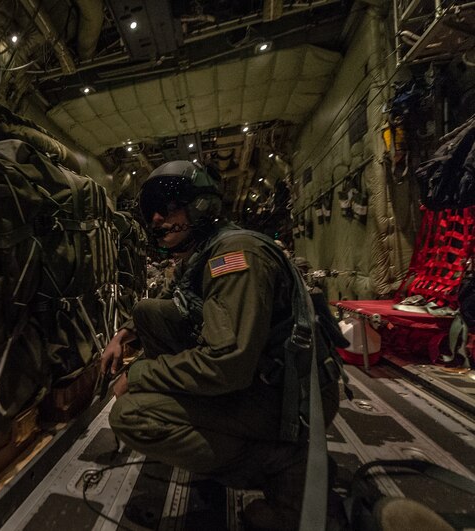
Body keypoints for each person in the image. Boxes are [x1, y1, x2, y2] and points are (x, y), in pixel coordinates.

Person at [101, 160, 341, 530]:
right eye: (152, 212)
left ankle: (284, 463)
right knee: (148, 312)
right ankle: (225, 433)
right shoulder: (204, 252)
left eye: (167, 207)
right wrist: (123, 334)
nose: (157, 219)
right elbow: (171, 297)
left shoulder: (235, 257)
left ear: (200, 206)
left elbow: (226, 364)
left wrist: (139, 374)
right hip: (264, 379)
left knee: (130, 415)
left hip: (290, 400)